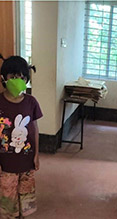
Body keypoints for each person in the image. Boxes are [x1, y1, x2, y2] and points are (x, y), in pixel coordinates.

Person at [0, 55, 43, 218]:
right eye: (13, 77)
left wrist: (37, 154)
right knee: (7, 197)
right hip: (5, 163)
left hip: (26, 159)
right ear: (4, 78)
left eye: (21, 77)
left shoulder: (31, 102)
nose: (17, 80)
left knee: (26, 195)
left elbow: (34, 128)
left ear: (26, 79)